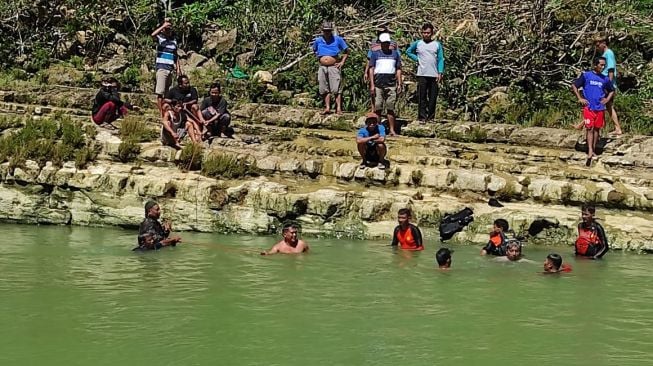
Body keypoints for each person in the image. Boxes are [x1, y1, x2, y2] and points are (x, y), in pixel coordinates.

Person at [571, 57, 615, 166]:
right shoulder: (586, 75)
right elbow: (574, 85)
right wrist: (580, 98)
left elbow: (612, 90)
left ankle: (593, 149)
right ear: (595, 65)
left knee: (596, 130)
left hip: (599, 108)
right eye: (601, 65)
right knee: (589, 128)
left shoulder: (604, 79)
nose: (603, 67)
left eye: (604, 65)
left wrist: (607, 99)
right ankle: (590, 150)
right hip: (588, 107)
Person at [406, 23, 445, 123]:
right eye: (424, 33)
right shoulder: (418, 43)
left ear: (432, 33)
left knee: (433, 96)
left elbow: (440, 59)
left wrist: (440, 72)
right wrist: (417, 59)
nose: (426, 35)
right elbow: (408, 51)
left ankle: (431, 117)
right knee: (422, 96)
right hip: (422, 73)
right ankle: (422, 117)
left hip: (434, 74)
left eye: (428, 33)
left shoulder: (437, 44)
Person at [312, 21, 350, 115]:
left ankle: (338, 108)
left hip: (334, 66)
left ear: (331, 31)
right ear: (322, 31)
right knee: (323, 87)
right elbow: (314, 50)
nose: (327, 33)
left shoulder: (338, 39)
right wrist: (319, 58)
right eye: (325, 31)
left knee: (336, 88)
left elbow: (347, 51)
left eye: (329, 31)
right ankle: (327, 107)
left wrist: (342, 62)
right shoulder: (318, 40)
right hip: (323, 66)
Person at [369, 32, 403, 136]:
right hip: (378, 84)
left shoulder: (395, 54)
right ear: (380, 43)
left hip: (391, 84)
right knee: (378, 108)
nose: (385, 45)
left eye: (387, 43)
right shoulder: (375, 54)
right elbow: (371, 69)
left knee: (390, 108)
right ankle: (378, 130)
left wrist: (399, 83)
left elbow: (398, 69)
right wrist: (372, 84)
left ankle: (392, 130)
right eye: (383, 43)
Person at [364, 26, 398, 111]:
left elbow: (397, 57)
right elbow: (369, 58)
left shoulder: (392, 43)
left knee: (389, 94)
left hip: (389, 71)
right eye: (379, 32)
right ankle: (374, 109)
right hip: (376, 69)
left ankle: (388, 111)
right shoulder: (373, 43)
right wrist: (366, 72)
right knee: (374, 91)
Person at [152, 18, 181, 115]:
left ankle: (166, 110)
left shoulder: (174, 41)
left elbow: (176, 55)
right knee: (160, 92)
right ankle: (161, 113)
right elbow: (153, 35)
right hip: (162, 68)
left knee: (168, 92)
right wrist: (163, 26)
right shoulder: (160, 39)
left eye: (169, 29)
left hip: (170, 68)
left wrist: (178, 68)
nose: (168, 30)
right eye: (166, 29)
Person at [164, 75, 204, 142]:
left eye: (188, 82)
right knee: (165, 106)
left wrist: (187, 103)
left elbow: (195, 100)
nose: (188, 84)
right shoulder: (173, 90)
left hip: (188, 109)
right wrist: (174, 102)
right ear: (180, 84)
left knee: (195, 106)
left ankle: (199, 127)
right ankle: (168, 119)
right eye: (186, 83)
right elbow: (165, 99)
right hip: (176, 110)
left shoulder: (192, 89)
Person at [596, 36, 622, 136]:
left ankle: (616, 128)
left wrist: (609, 85)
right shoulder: (605, 54)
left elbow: (611, 69)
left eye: (598, 45)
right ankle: (616, 127)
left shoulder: (609, 53)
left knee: (605, 104)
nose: (597, 47)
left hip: (607, 83)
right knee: (608, 106)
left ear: (604, 43)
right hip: (604, 82)